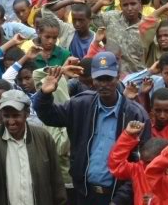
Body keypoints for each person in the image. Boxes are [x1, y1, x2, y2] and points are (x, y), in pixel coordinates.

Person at [34, 53, 151, 204]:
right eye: (99, 79)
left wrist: (120, 200)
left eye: (108, 79)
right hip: (83, 193)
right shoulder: (81, 104)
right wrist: (44, 94)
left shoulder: (136, 114)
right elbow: (49, 116)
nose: (104, 84)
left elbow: (143, 164)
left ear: (118, 77)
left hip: (117, 196)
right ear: (92, 80)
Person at [0, 93, 67, 205]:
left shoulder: (42, 136)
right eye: (6, 116)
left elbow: (56, 178)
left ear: (27, 114)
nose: (11, 121)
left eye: (15, 115)